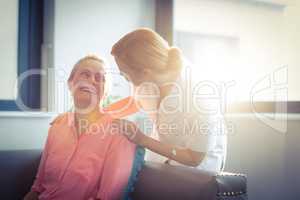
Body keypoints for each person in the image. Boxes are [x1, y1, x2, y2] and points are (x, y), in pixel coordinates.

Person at [110, 28, 227, 172]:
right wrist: (101, 114)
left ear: (145, 73)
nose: (122, 76)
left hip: (196, 173)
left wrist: (142, 139)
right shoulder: (147, 79)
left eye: (124, 74)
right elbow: (136, 101)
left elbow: (194, 158)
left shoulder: (201, 94)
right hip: (160, 160)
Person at [24, 55, 136, 200]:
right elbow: (37, 188)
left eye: (100, 78)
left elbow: (107, 197)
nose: (92, 81)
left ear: (106, 92)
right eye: (85, 74)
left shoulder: (119, 133)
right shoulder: (58, 125)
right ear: (70, 83)